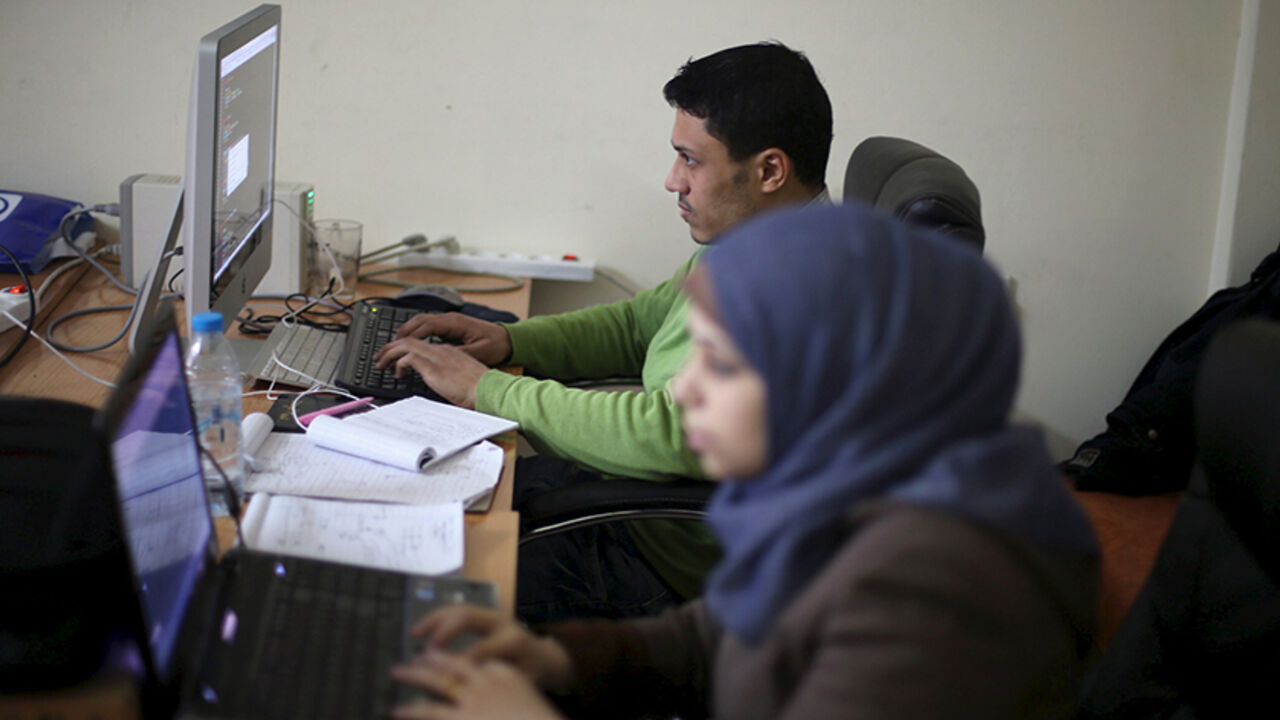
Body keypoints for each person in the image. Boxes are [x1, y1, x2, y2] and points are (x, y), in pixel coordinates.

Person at [386, 204, 1101, 720]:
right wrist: (560, 661)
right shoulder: (845, 499)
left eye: (720, 365)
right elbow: (716, 637)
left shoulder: (937, 602)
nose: (686, 389)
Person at [374, 42, 834, 622]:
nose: (673, 181)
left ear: (770, 170)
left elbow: (677, 434)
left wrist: (486, 390)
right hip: (631, 509)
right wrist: (514, 343)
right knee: (412, 501)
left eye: (691, 161)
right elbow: (639, 324)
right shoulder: (756, 242)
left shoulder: (799, 287)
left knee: (407, 600)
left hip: (663, 572)